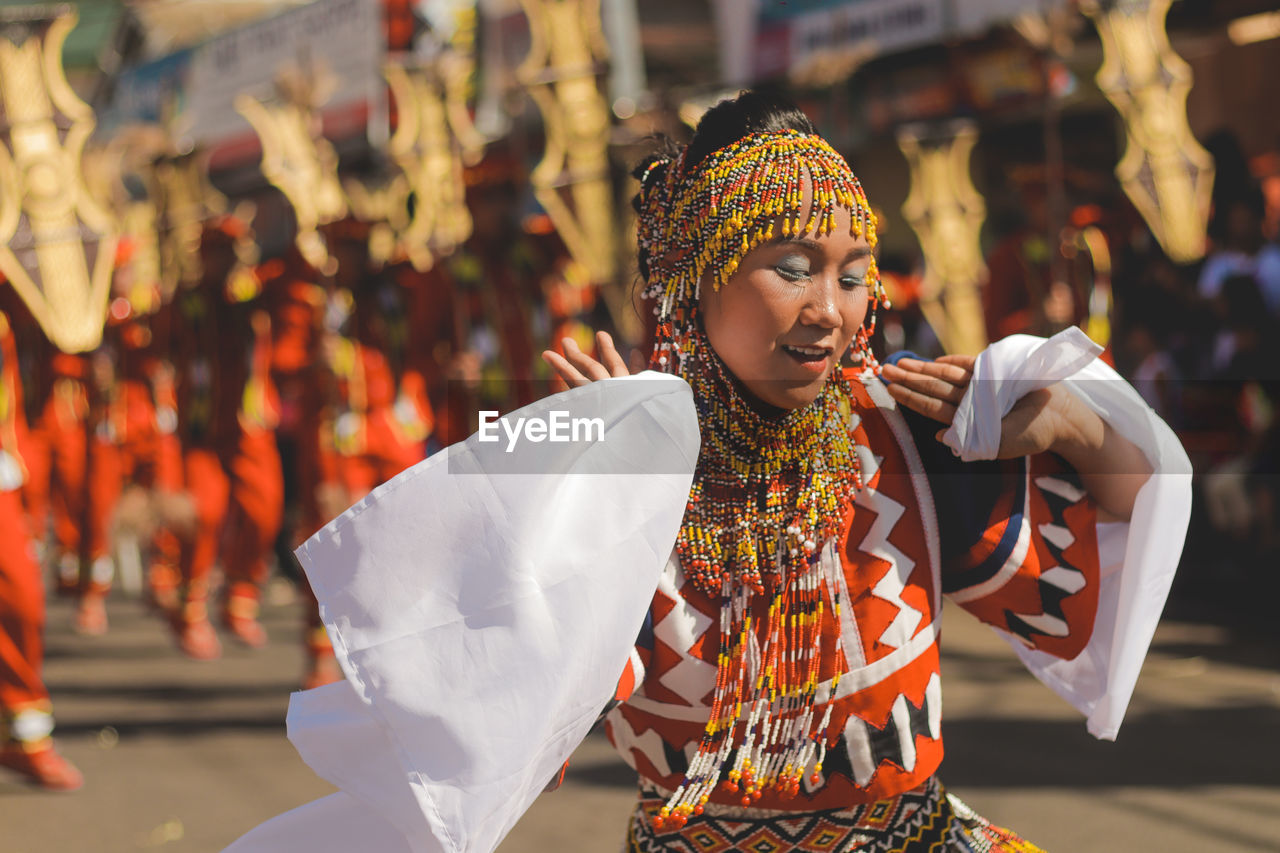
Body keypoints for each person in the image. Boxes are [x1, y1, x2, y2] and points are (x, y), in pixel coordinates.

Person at [229, 91, 1187, 852]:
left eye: (854, 274)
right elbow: (491, 695)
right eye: (792, 265)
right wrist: (563, 497)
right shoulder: (633, 474)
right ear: (698, 276)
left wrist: (1072, 420)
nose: (830, 308)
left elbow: (1133, 516)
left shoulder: (910, 436)